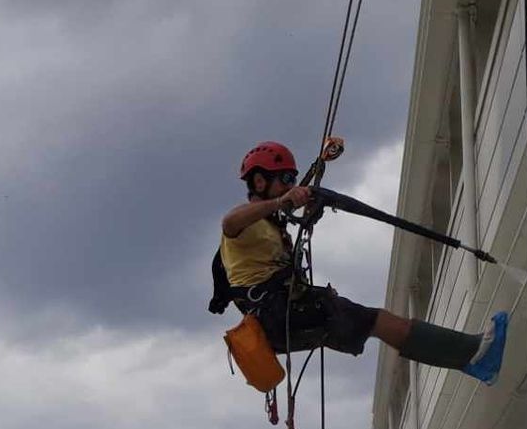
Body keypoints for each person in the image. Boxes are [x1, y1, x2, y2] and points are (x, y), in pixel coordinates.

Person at [210, 140, 507, 382]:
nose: (290, 185)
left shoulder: (273, 227)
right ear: (259, 181)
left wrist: (304, 207)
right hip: (277, 315)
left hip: (285, 315)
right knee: (378, 320)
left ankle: (469, 360)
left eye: (292, 179)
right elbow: (228, 221)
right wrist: (280, 202)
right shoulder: (246, 224)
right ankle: (471, 355)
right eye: (285, 179)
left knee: (375, 321)